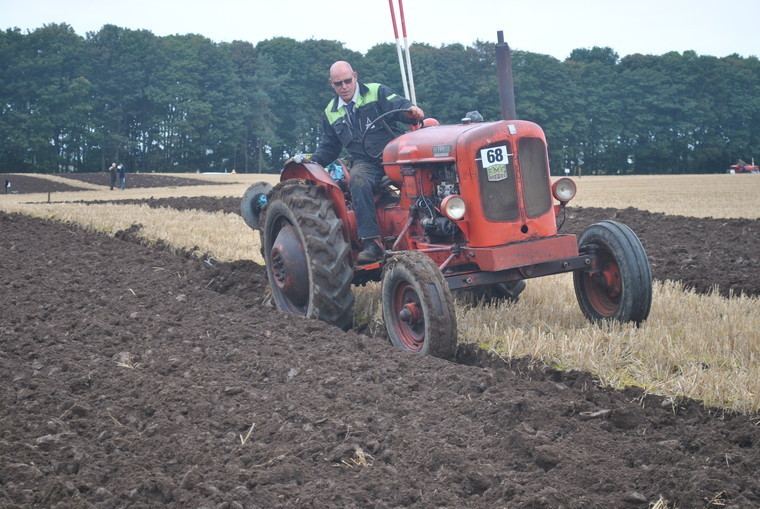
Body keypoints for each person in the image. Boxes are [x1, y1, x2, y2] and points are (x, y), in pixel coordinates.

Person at [309, 61, 424, 264]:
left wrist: (410, 110)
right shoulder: (331, 112)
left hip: (393, 153)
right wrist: (312, 163)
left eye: (347, 81)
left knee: (423, 173)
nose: (344, 87)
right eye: (338, 83)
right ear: (331, 84)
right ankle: (372, 243)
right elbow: (329, 146)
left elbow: (398, 105)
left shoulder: (376, 91)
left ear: (355, 76)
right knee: (357, 179)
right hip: (366, 163)